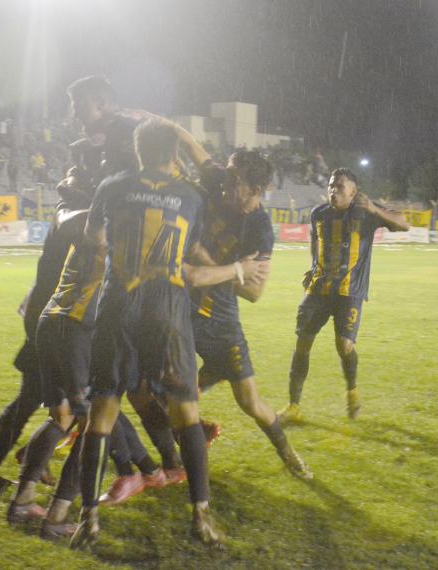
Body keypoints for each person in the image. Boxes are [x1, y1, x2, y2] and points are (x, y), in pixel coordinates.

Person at [0, 76, 150, 496]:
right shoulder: (77, 192)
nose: (72, 114)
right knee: (87, 399)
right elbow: (74, 224)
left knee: (50, 396)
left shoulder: (104, 185)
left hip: (70, 309)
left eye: (77, 105)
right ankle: (132, 471)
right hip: (61, 312)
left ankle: (0, 472)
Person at [71, 120, 249, 549]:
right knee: (186, 414)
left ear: (138, 152)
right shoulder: (191, 196)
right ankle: (201, 517)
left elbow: (92, 239)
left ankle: (88, 521)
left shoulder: (112, 186)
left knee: (102, 416)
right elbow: (191, 253)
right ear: (174, 153)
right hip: (167, 312)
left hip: (118, 308)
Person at [176, 129, 312, 479]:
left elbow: (253, 292)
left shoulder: (259, 229)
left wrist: (209, 265)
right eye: (227, 175)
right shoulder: (220, 180)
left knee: (249, 402)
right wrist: (158, 123)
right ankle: (182, 458)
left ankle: (288, 453)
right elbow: (190, 145)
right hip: (185, 309)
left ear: (256, 189)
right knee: (168, 390)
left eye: (234, 180)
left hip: (221, 322)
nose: (224, 184)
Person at [278, 168, 410, 424]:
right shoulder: (318, 214)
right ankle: (293, 405)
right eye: (330, 185)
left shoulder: (365, 212)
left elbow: (404, 223)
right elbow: (315, 242)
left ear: (353, 192)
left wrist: (374, 209)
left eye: (339, 187)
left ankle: (352, 390)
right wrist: (313, 266)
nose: (333, 191)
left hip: (349, 292)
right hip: (319, 289)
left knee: (344, 346)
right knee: (302, 342)